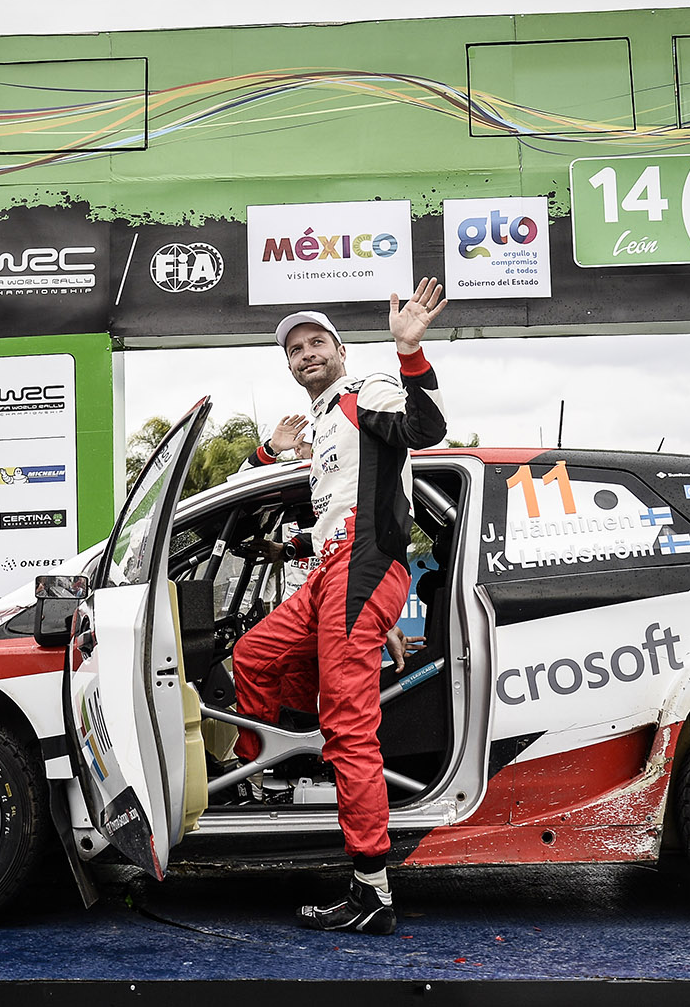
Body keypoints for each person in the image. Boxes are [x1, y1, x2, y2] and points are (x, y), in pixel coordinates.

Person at [231, 278, 448, 934]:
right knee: (254, 654)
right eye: (295, 349)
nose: (305, 354)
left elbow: (427, 430)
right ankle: (265, 774)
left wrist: (410, 352)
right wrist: (272, 463)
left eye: (316, 342)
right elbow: (290, 511)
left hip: (361, 564)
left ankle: (371, 890)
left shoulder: (366, 392)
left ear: (341, 350)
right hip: (331, 571)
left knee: (348, 726)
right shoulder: (321, 423)